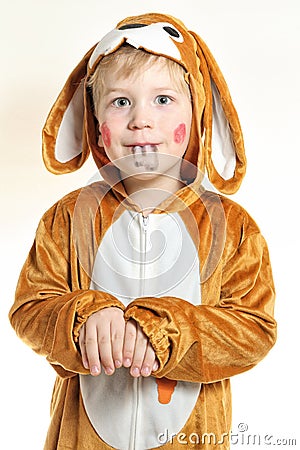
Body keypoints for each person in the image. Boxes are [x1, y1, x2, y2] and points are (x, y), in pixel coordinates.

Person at [9, 12, 276, 450]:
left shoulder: (233, 227)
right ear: (97, 128)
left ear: (199, 116)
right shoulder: (68, 218)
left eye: (163, 100)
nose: (140, 120)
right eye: (120, 102)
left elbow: (253, 328)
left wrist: (164, 330)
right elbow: (30, 310)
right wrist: (84, 319)